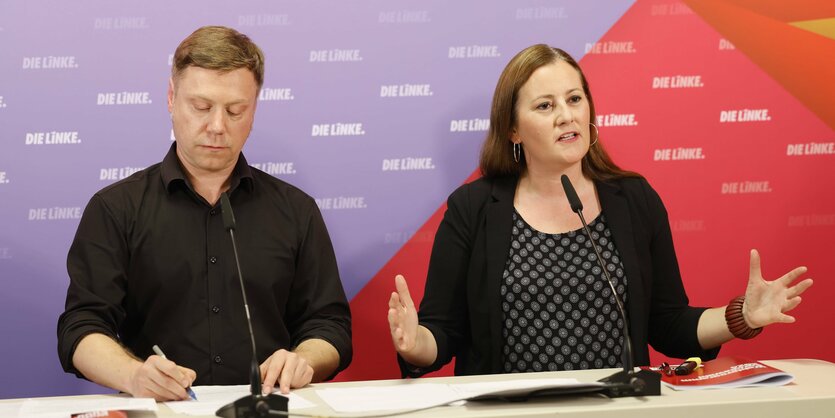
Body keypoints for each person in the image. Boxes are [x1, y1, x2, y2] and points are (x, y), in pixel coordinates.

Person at [387, 44, 813, 376]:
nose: (565, 116)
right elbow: (443, 332)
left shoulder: (633, 198)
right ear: (513, 128)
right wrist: (413, 344)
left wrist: (741, 316)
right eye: (545, 106)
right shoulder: (474, 208)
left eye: (574, 99)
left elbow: (667, 323)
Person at [57, 26, 352, 401]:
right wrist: (133, 375)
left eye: (235, 110)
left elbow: (330, 325)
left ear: (255, 109)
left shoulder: (296, 210)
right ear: (170, 98)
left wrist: (303, 359)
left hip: (266, 408)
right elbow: (81, 328)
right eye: (201, 106)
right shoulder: (116, 208)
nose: (216, 126)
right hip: (161, 409)